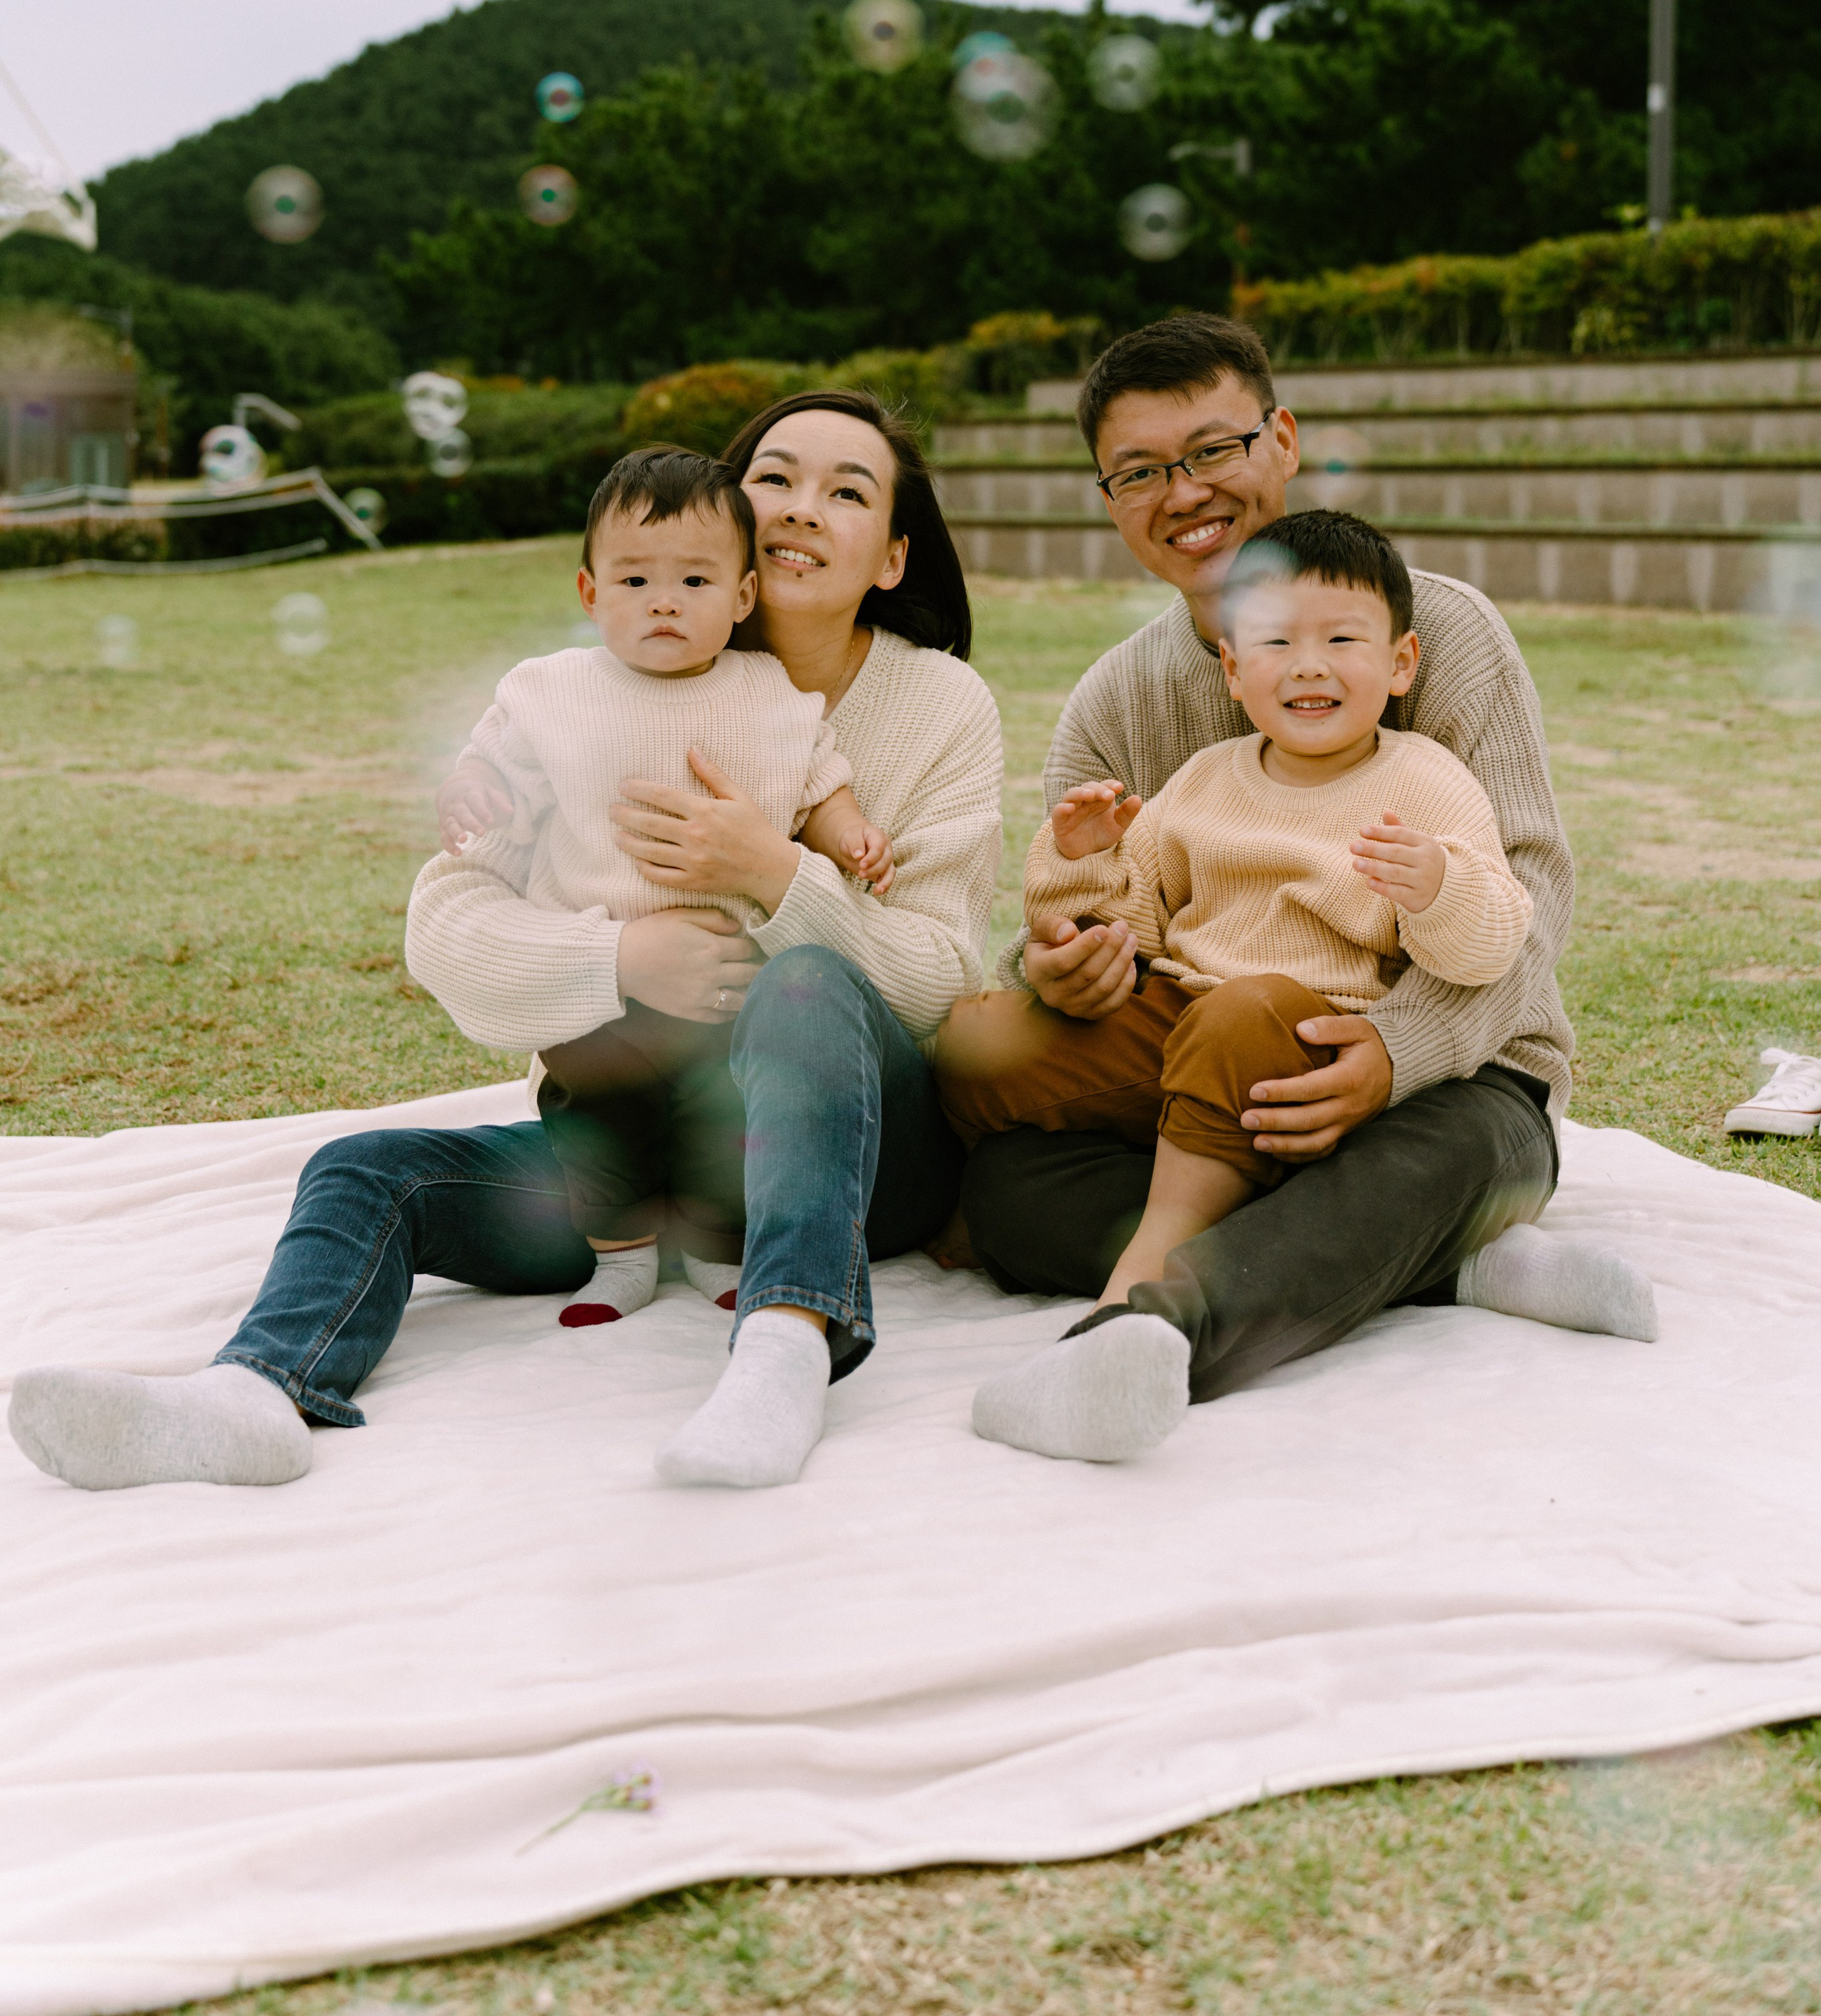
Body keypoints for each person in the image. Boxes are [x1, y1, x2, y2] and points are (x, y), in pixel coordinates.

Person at [10, 391, 1003, 1497]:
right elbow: (447, 923)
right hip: (631, 1154)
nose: (801, 508)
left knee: (807, 986)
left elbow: (943, 985)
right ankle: (252, 1395)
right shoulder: (577, 700)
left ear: (894, 557)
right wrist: (617, 963)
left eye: (847, 490)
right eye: (775, 477)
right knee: (364, 1171)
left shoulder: (940, 707)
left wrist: (770, 874)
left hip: (855, 1152)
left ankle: (784, 1349)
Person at [939, 312, 1654, 1468]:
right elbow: (1093, 903)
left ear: (1282, 441)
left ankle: (1150, 1334)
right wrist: (1065, 968)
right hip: (1200, 1084)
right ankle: (1431, 1257)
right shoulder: (1112, 702)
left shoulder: (1439, 630)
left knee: (1455, 1154)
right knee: (1017, 1190)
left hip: (1452, 1082)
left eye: (1214, 450)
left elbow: (1529, 889)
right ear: (1110, 499)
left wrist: (1394, 1051)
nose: (1186, 491)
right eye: (1142, 471)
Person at [947, 509, 1535, 1313]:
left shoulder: (1422, 781)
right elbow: (1131, 927)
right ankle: (939, 1200)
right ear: (1231, 668)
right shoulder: (1201, 779)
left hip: (1305, 1036)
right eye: (1276, 643)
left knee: (1240, 1011)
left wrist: (1440, 888)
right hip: (1181, 1023)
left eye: (1341, 641)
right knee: (971, 1038)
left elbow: (1494, 941)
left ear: (1401, 664)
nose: (1307, 668)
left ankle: (1144, 1279)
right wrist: (1082, 863)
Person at [424, 442, 893, 1288]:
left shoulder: (767, 691)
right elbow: (495, 764)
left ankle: (720, 1250)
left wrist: (847, 827)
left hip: (728, 993)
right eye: (635, 582)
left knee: (728, 1120)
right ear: (590, 593)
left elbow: (817, 776)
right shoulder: (550, 691)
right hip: (599, 997)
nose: (664, 604)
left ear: (743, 595)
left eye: (695, 582)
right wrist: (468, 788)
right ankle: (620, 1256)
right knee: (597, 1121)